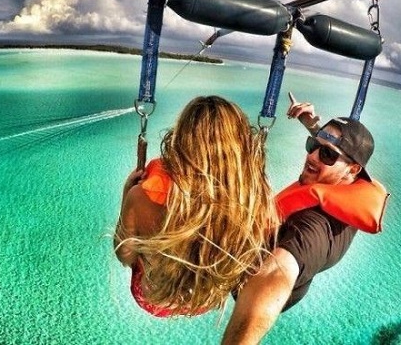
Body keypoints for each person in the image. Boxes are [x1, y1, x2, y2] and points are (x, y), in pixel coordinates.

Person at [221, 95, 389, 344]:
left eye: (327, 155)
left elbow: (277, 273)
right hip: (262, 237)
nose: (312, 157)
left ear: (353, 169)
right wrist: (311, 125)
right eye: (312, 145)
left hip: (243, 275)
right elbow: (336, 150)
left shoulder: (315, 228)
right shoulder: (352, 181)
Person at [113, 95, 279, 317]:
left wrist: (127, 194)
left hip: (153, 298)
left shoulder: (141, 196)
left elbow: (125, 256)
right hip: (203, 299)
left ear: (180, 139)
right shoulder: (252, 202)